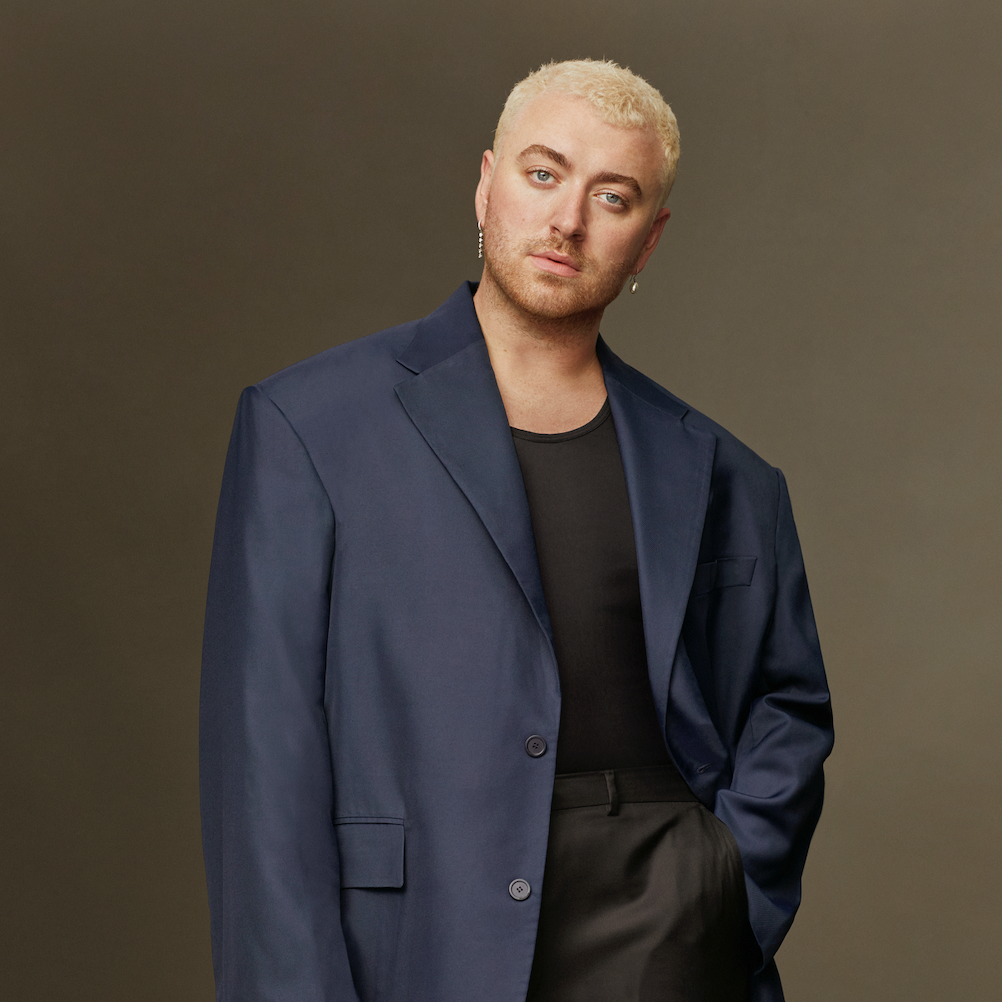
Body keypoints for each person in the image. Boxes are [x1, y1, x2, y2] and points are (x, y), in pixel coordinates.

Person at [200, 58, 833, 1002]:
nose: (568, 220)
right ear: (487, 183)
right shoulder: (310, 427)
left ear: (649, 241)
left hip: (664, 941)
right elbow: (263, 760)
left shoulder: (724, 470)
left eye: (611, 197)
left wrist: (723, 890)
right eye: (544, 174)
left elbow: (786, 705)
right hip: (421, 937)